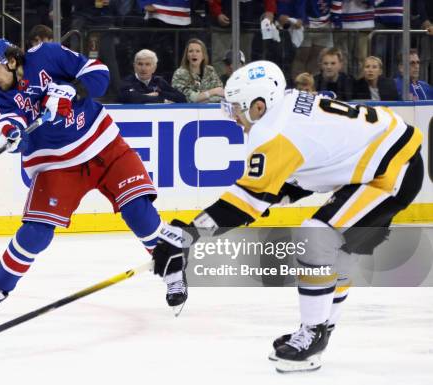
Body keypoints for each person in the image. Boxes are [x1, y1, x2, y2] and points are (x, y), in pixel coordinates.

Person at [152, 60, 423, 372]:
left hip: (392, 172)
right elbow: (316, 160)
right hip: (389, 159)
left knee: (316, 237)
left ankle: (313, 334)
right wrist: (273, 194)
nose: (234, 117)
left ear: (257, 106)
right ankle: (319, 329)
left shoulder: (271, 133)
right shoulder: (290, 102)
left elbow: (245, 201)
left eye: (236, 109)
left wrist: (187, 234)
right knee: (338, 250)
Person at [0, 38, 186, 315]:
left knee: (139, 214)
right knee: (35, 234)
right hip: (55, 164)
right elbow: (8, 124)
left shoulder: (47, 54)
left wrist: (73, 90)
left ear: (10, 61)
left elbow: (99, 72)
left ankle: (174, 275)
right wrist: (12, 136)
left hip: (103, 145)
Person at [118, 49, 186, 103]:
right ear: (134, 66)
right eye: (140, 64)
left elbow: (181, 98)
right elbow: (131, 98)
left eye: (147, 64)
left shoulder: (158, 81)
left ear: (154, 68)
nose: (143, 68)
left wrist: (159, 93)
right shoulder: (128, 81)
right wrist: (160, 100)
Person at [171, 38, 224, 103]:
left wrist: (203, 99)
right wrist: (213, 92)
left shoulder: (210, 71)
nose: (194, 54)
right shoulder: (180, 74)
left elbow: (221, 94)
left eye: (198, 51)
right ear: (187, 56)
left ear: (203, 56)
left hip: (209, 111)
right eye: (191, 51)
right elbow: (190, 98)